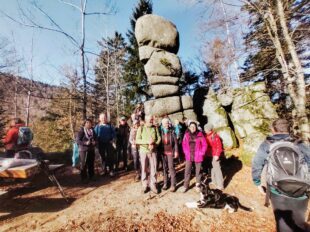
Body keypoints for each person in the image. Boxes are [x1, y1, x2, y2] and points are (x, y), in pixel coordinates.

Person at [252, 119, 310, 232]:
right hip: (302, 190)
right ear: (289, 129)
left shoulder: (267, 144)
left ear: (273, 130)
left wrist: (257, 182)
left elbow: (257, 163)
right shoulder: (300, 143)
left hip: (277, 189)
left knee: (283, 223)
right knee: (299, 222)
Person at [135, 115, 161, 194]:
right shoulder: (141, 128)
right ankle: (145, 185)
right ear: (146, 120)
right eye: (150, 120)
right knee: (144, 169)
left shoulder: (155, 128)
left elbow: (159, 138)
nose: (151, 121)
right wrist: (147, 142)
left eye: (152, 120)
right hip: (143, 151)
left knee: (154, 168)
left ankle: (153, 184)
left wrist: (155, 144)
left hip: (153, 151)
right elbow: (137, 140)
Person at [182, 121, 207, 193]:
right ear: (189, 127)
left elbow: (204, 145)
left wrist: (202, 152)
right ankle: (186, 186)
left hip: (198, 155)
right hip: (189, 155)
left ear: (196, 127)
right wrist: (186, 152)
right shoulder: (186, 135)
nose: (193, 128)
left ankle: (198, 186)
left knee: (198, 171)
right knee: (187, 171)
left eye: (194, 127)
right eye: (191, 127)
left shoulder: (200, 134)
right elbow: (183, 144)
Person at [160, 118, 179, 192]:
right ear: (162, 124)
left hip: (170, 151)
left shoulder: (172, 132)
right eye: (165, 123)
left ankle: (173, 184)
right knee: (164, 168)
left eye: (167, 123)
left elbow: (176, 143)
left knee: (171, 167)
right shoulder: (160, 131)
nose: (167, 124)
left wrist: (176, 151)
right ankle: (165, 183)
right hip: (163, 152)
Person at [204, 123, 224, 190]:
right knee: (212, 168)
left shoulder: (215, 136)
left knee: (217, 169)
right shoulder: (206, 135)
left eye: (206, 129)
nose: (205, 130)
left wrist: (217, 155)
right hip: (209, 154)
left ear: (209, 129)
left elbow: (219, 146)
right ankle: (214, 181)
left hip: (215, 154)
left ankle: (220, 185)